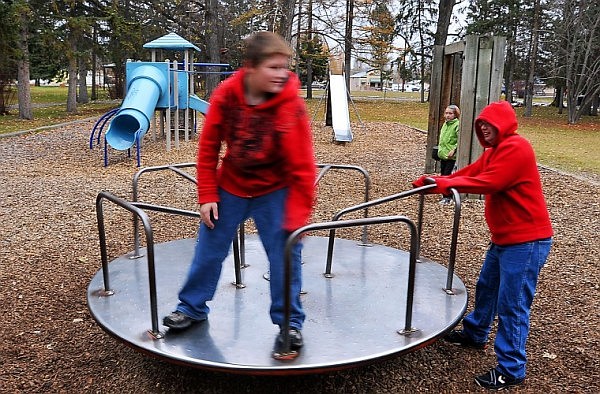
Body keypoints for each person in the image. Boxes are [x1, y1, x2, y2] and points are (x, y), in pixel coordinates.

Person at [162, 31, 317, 361]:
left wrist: (295, 218)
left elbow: (303, 165)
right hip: (231, 184)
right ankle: (191, 308)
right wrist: (207, 194)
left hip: (275, 190)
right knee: (209, 248)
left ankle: (289, 324)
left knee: (285, 255)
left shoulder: (290, 104)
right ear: (251, 68)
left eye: (285, 68)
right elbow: (208, 147)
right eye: (274, 67)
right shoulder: (227, 95)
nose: (282, 74)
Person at [412, 100, 553, 390]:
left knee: (512, 304)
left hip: (526, 241)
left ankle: (512, 368)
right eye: (481, 125)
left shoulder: (517, 148)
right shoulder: (494, 152)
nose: (485, 129)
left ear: (504, 126)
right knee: (487, 286)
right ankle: (475, 333)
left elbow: (491, 182)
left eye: (489, 125)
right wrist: (436, 180)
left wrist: (445, 186)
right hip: (505, 238)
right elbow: (471, 173)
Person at [437, 104, 460, 204]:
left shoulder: (457, 125)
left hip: (451, 156)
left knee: (447, 175)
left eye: (450, 113)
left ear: (455, 115)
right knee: (443, 175)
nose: (448, 115)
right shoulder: (445, 124)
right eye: (446, 113)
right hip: (443, 154)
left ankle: (448, 196)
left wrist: (454, 150)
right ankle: (444, 195)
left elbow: (459, 140)